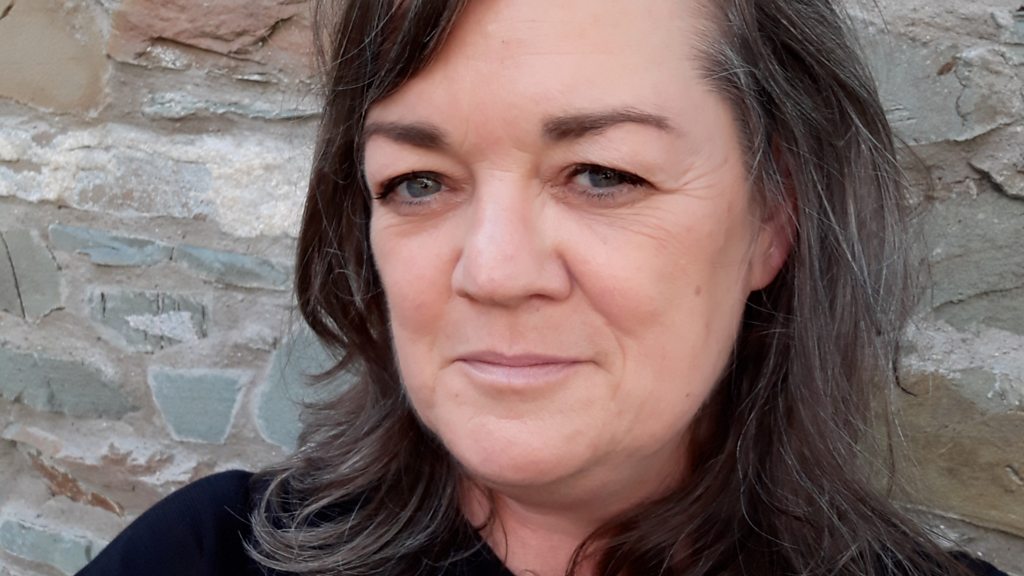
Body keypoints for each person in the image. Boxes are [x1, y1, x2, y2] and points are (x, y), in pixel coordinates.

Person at [76, 0, 1009, 575]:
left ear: (773, 221)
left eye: (603, 175)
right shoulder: (207, 556)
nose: (493, 271)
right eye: (419, 183)